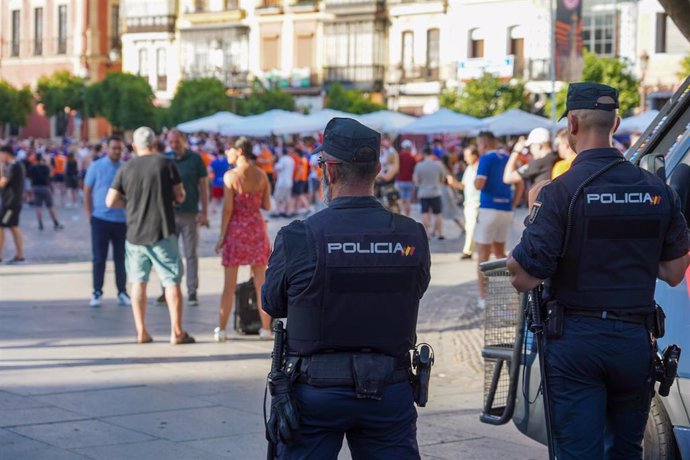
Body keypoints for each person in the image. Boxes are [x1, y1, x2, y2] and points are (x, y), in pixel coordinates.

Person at [507, 82, 690, 459]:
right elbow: (674, 272)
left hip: (576, 342)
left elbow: (524, 276)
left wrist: (533, 220)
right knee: (625, 451)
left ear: (572, 123)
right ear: (617, 122)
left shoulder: (559, 192)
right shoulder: (656, 189)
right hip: (633, 340)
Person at [262, 117, 431, 458]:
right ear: (377, 169)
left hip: (314, 392)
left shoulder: (298, 235)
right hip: (389, 388)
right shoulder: (411, 235)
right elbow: (416, 287)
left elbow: (273, 303)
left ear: (331, 171)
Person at [106, 127, 195, 345]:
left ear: (135, 147)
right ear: (154, 144)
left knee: (138, 282)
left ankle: (141, 331)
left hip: (135, 233)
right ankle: (176, 332)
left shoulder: (126, 167)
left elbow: (110, 201)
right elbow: (180, 195)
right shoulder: (166, 164)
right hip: (162, 230)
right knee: (172, 280)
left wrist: (130, 203)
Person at [214, 137, 273, 341]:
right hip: (256, 228)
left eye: (228, 150)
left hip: (236, 230)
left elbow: (228, 209)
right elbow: (267, 205)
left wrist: (221, 236)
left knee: (229, 284)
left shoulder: (231, 176)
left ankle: (221, 329)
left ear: (239, 151)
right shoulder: (262, 175)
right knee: (261, 283)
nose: (226, 154)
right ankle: (266, 328)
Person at [158, 129, 209, 307]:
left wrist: (204, 211)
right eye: (171, 142)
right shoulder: (165, 159)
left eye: (176, 142)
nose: (174, 146)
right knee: (167, 253)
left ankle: (192, 290)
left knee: (191, 253)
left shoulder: (195, 159)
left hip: (189, 212)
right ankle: (166, 289)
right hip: (169, 214)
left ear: (184, 141)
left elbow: (203, 186)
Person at [84, 135, 130, 308]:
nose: (116, 151)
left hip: (120, 220)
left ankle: (122, 291)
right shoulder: (96, 166)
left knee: (121, 258)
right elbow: (87, 191)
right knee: (99, 258)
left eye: (119, 148)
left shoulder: (125, 168)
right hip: (100, 219)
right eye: (114, 148)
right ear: (107, 148)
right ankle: (97, 291)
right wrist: (90, 215)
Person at [474, 131, 517, 309]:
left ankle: (483, 298)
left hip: (489, 208)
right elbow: (519, 182)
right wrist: (513, 202)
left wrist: (474, 181)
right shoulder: (506, 157)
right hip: (505, 209)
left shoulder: (485, 158)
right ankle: (513, 295)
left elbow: (479, 184)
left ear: (483, 144)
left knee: (482, 256)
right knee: (500, 253)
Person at [413, 146, 446, 239]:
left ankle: (426, 233)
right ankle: (440, 234)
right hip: (436, 191)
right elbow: (443, 178)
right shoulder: (439, 165)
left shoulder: (419, 165)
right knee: (438, 213)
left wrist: (421, 184)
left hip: (423, 192)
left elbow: (416, 180)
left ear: (424, 154)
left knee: (425, 212)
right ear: (432, 154)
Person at [0, 145, 25, 263]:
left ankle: (1, 255)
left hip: (10, 203)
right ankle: (19, 255)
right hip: (13, 202)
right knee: (14, 227)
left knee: (2, 226)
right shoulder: (16, 165)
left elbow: (2, 183)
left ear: (6, 153)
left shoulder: (13, 166)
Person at [27, 154, 64, 231]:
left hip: (35, 187)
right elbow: (50, 175)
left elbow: (29, 176)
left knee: (38, 206)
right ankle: (55, 223)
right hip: (45, 187)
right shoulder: (45, 167)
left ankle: (40, 224)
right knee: (50, 206)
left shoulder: (32, 167)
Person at [459, 146, 480, 260]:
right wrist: (453, 183)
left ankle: (467, 250)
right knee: (469, 226)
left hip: (477, 202)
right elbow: (463, 186)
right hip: (469, 202)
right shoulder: (468, 169)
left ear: (474, 155)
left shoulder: (480, 168)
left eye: (467, 156)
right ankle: (469, 250)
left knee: (471, 227)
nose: (465, 159)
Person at [375, 134, 400, 213]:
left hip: (388, 190)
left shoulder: (392, 153)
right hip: (380, 191)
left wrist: (378, 175)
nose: (381, 143)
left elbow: (388, 177)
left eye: (383, 140)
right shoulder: (384, 152)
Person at [396, 139, 417, 216]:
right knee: (408, 200)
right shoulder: (412, 157)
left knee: (401, 199)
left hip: (400, 181)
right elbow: (415, 169)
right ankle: (407, 216)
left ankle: (402, 214)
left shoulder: (399, 156)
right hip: (409, 181)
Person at [271, 147, 295, 218]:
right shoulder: (291, 160)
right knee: (288, 198)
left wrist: (274, 162)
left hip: (282, 182)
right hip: (289, 181)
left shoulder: (282, 159)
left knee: (277, 197)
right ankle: (288, 212)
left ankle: (277, 212)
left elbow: (277, 168)